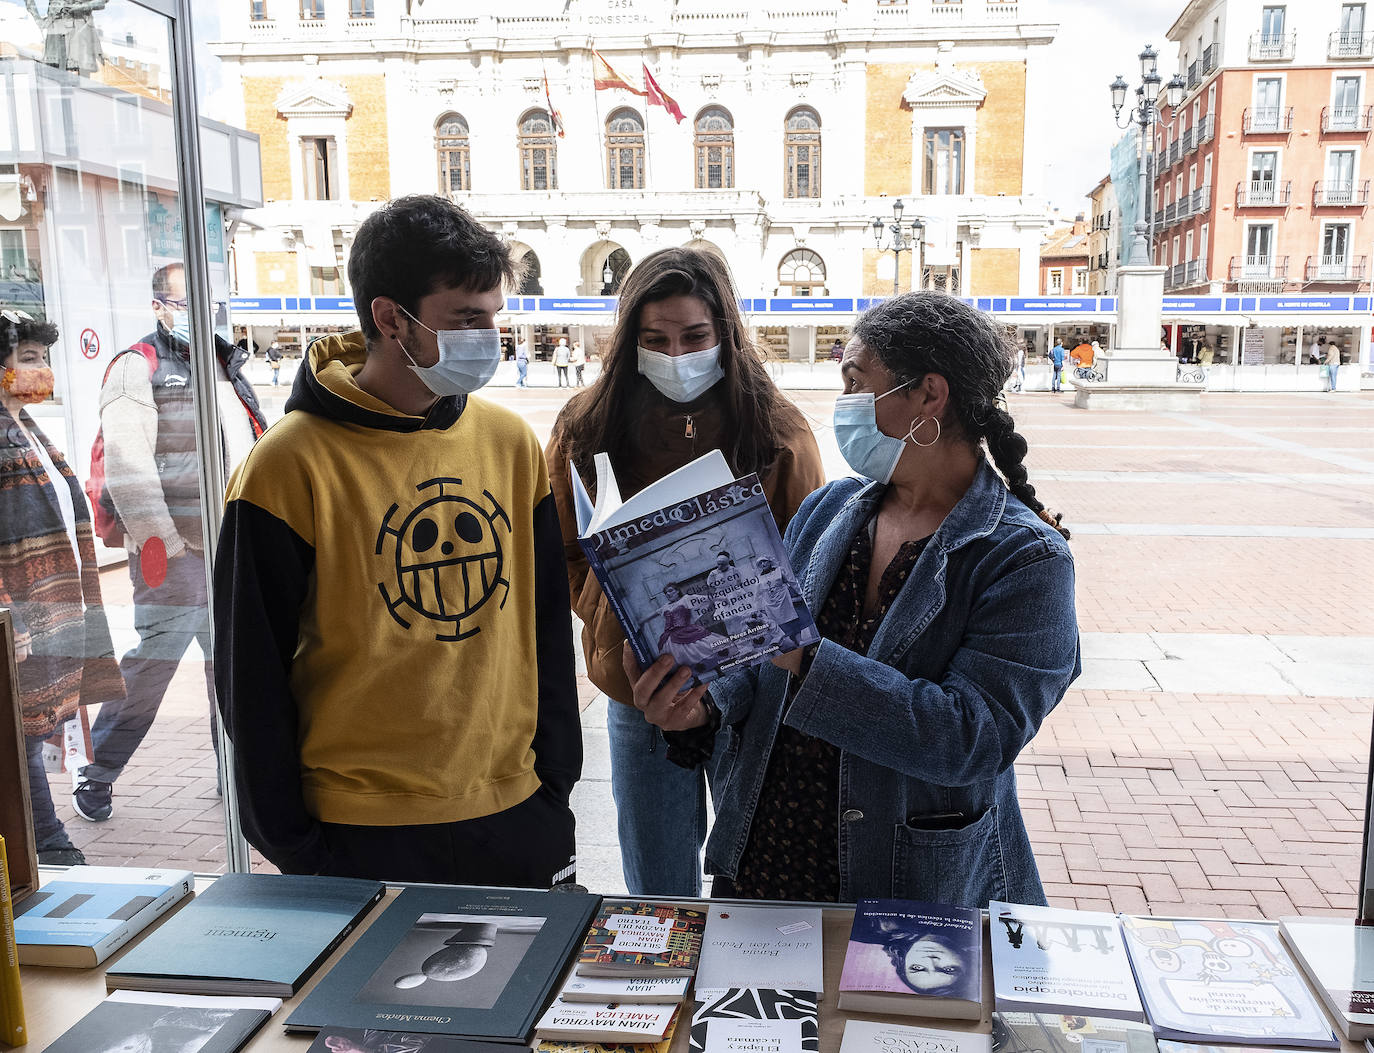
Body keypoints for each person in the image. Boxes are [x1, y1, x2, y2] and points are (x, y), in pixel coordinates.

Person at [629, 291, 1080, 905]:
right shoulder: (828, 510)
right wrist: (701, 707)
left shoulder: (1024, 559)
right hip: (768, 857)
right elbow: (758, 665)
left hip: (905, 884)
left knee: (886, 1008)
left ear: (929, 395)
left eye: (855, 380)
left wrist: (809, 662)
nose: (843, 404)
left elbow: (974, 738)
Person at [214, 194, 581, 886]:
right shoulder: (287, 465)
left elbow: (544, 626)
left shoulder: (508, 444)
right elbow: (249, 676)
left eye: (494, 316)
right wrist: (294, 842)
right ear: (390, 318)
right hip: (358, 832)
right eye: (465, 320)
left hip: (514, 811)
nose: (488, 338)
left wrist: (555, 779)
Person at [545, 245, 825, 898]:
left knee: (753, 880)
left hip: (750, 698)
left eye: (695, 336)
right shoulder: (586, 428)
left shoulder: (777, 432)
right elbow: (557, 549)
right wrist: (611, 612)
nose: (676, 355)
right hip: (640, 694)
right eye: (656, 339)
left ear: (725, 333)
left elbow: (811, 563)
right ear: (629, 341)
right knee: (659, 890)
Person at [73, 262, 266, 823]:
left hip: (229, 547)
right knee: (152, 666)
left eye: (212, 302)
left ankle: (231, 774)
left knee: (227, 669)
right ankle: (98, 772)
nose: (202, 313)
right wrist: (167, 548)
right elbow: (129, 467)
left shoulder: (226, 364)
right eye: (187, 303)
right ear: (159, 307)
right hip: (175, 552)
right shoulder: (138, 367)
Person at [0, 310, 125, 865]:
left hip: (50, 610)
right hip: (22, 620)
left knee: (32, 730)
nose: (43, 369)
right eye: (28, 359)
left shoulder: (23, 426)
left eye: (43, 357)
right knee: (22, 735)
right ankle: (48, 846)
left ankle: (42, 846)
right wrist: (9, 616)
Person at [655, 582, 731, 674]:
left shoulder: (686, 599)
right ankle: (694, 678)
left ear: (677, 591)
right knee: (680, 658)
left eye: (670, 591)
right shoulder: (665, 607)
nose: (668, 594)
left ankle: (719, 670)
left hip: (686, 631)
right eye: (665, 593)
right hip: (670, 638)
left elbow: (705, 598)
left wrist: (722, 598)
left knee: (703, 649)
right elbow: (653, 615)